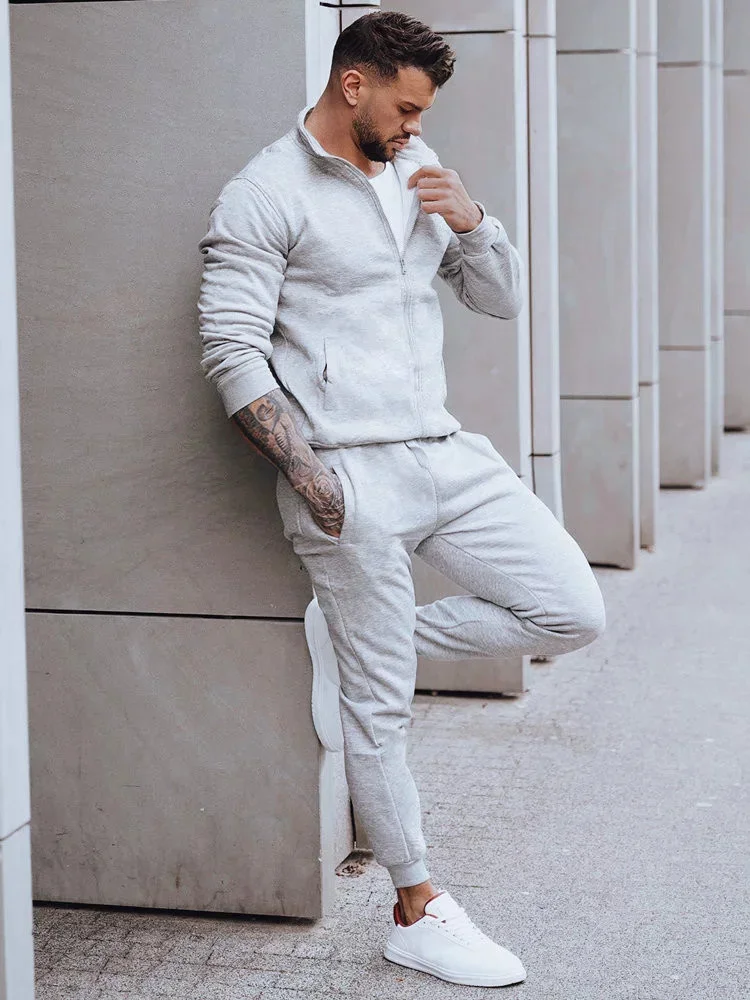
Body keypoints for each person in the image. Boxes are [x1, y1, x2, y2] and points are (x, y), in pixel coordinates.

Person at [197, 10, 605, 988]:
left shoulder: (415, 166)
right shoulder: (265, 192)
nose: (417, 126)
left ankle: (354, 644)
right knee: (380, 712)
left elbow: (500, 300)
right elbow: (230, 349)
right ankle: (417, 906)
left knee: (571, 609)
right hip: (349, 471)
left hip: (447, 451)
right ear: (355, 86)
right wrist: (312, 477)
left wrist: (473, 221)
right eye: (407, 106)